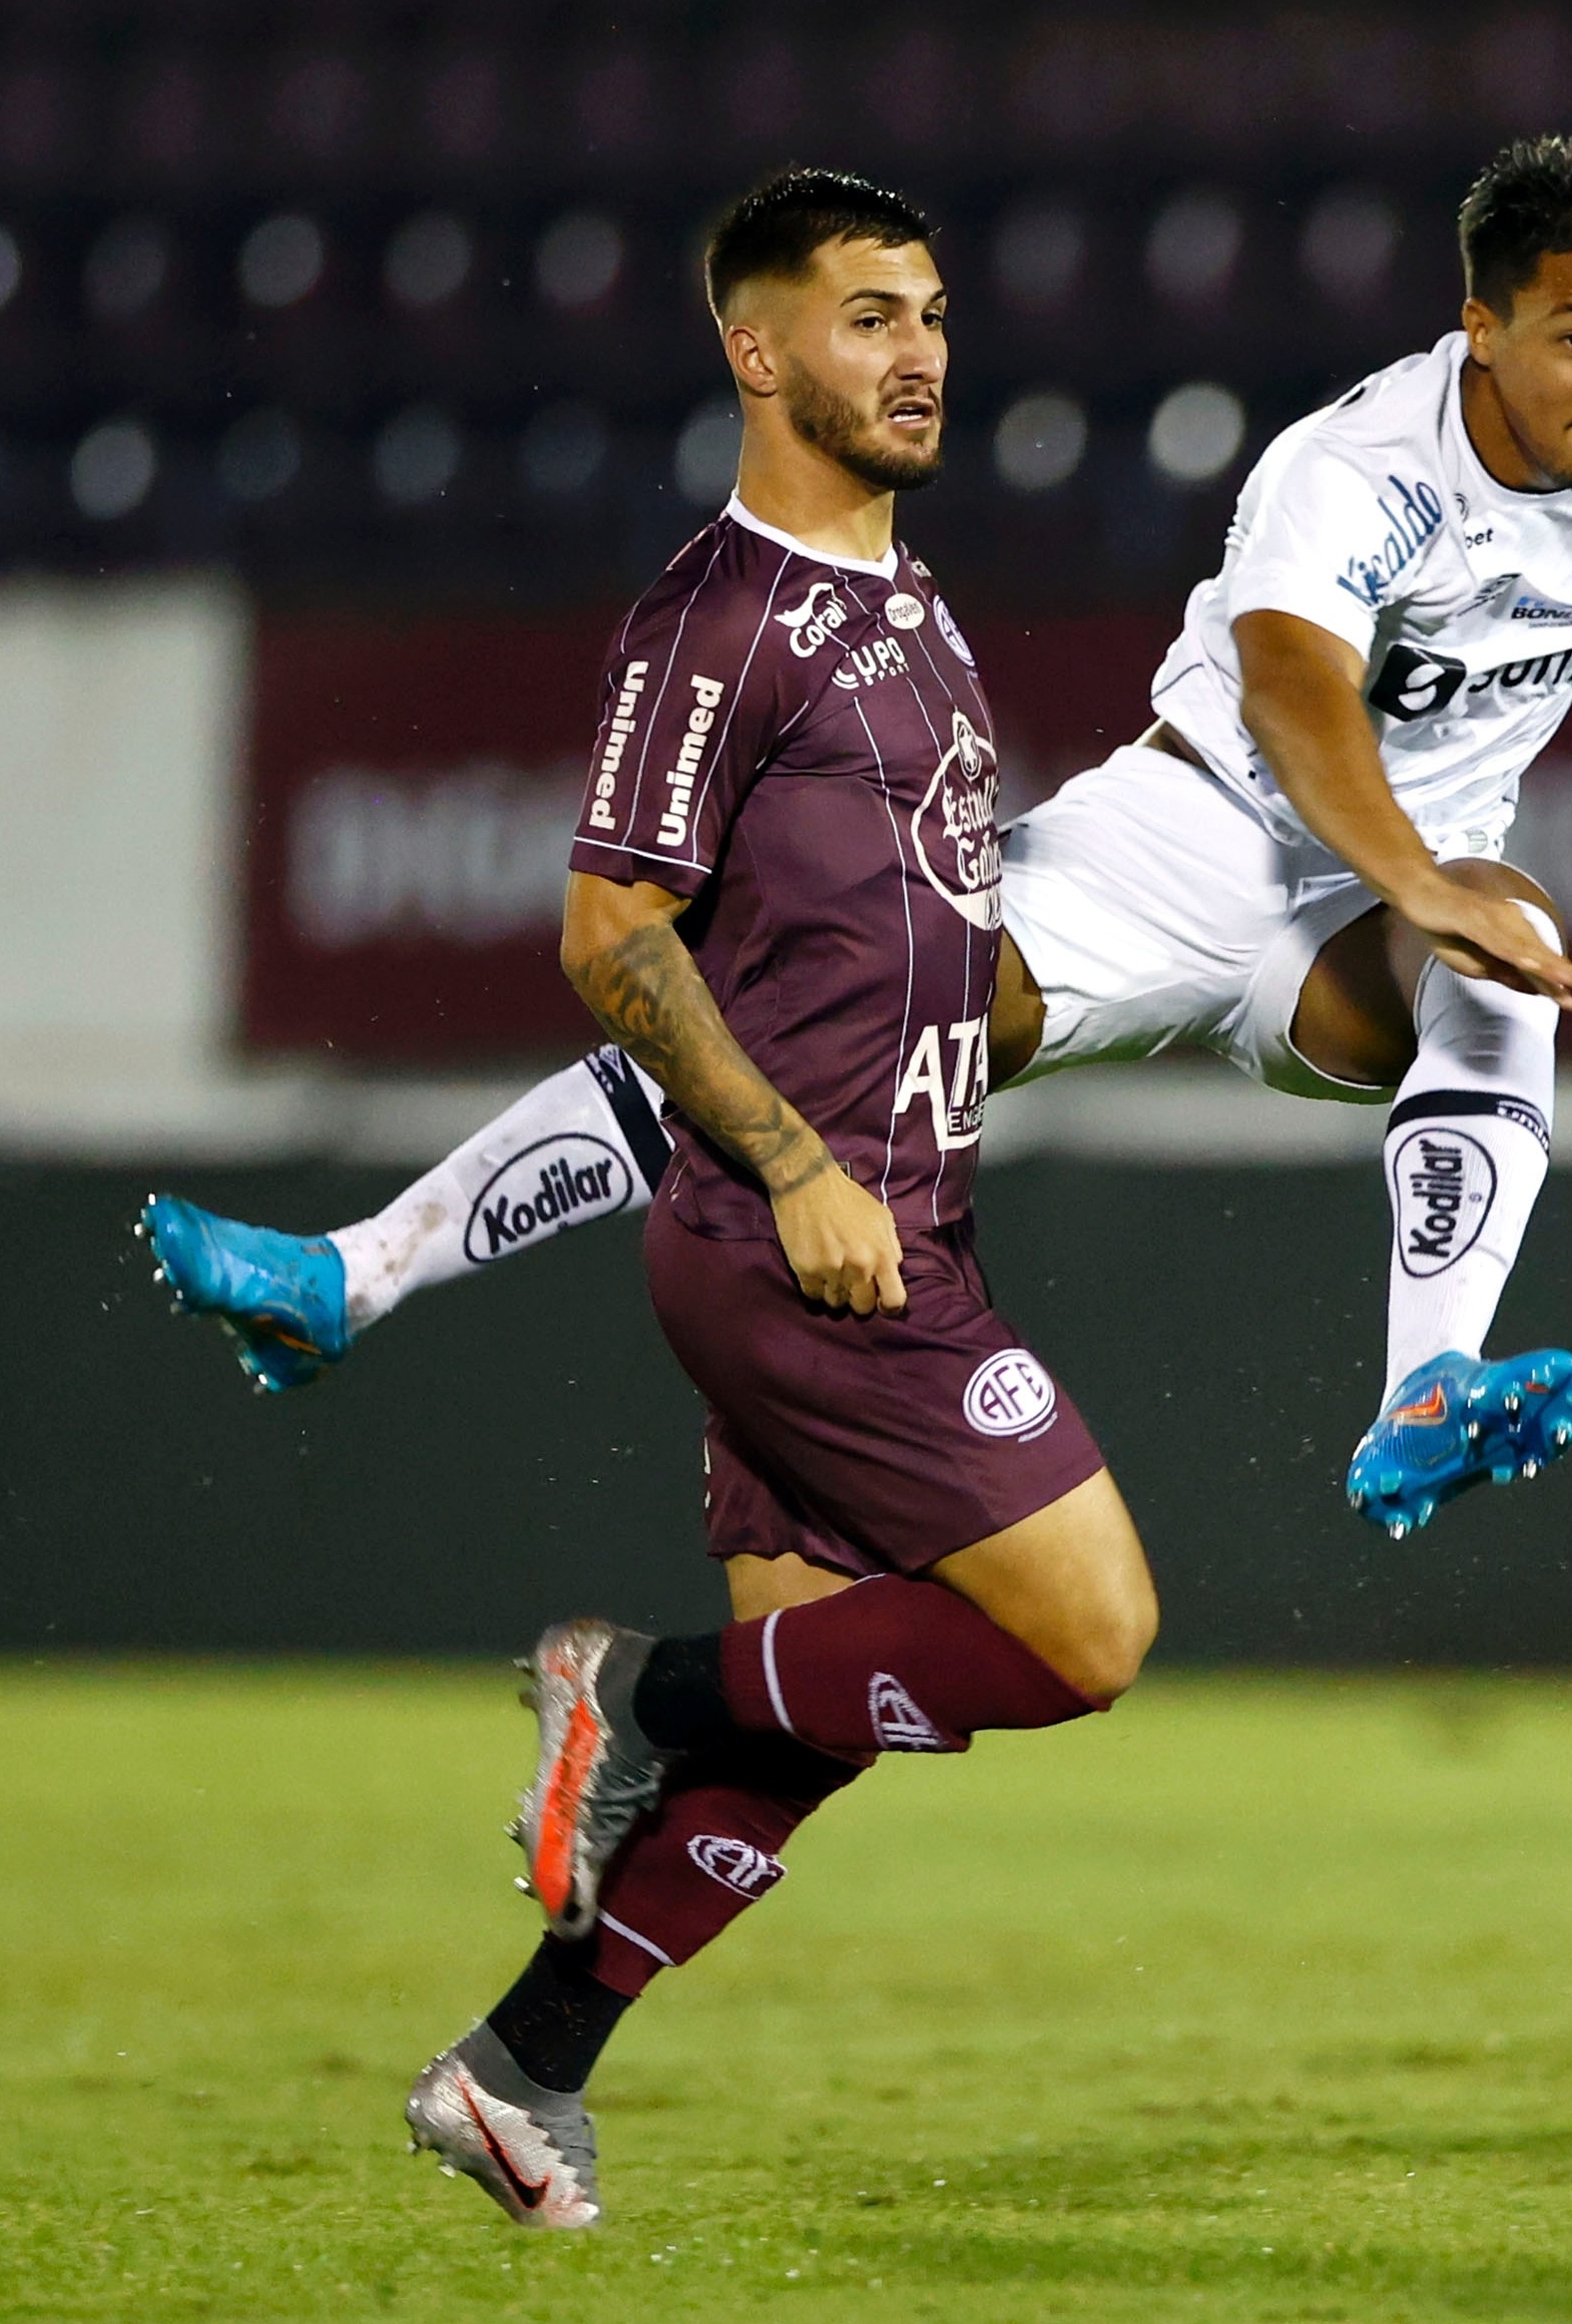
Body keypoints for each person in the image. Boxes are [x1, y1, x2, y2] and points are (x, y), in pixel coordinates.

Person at [143, 133, 1572, 1537]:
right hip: (1189, 836)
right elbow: (1301, 699)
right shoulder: (1352, 475)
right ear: (1476, 327)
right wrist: (1410, 872)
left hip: (1357, 929)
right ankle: (352, 1274)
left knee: (1507, 938)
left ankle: (1424, 1389)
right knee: (812, 1033)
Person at [395, 169, 1157, 2230]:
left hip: (902, 1216)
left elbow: (909, 913)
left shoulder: (914, 604)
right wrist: (805, 1161)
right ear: (757, 350)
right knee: (1088, 1629)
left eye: (929, 309)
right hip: (805, 1243)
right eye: (862, 315)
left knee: (802, 1725)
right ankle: (618, 1684)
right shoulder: (712, 609)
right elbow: (609, 933)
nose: (916, 349)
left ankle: (516, 2067)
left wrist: (1002, 981)